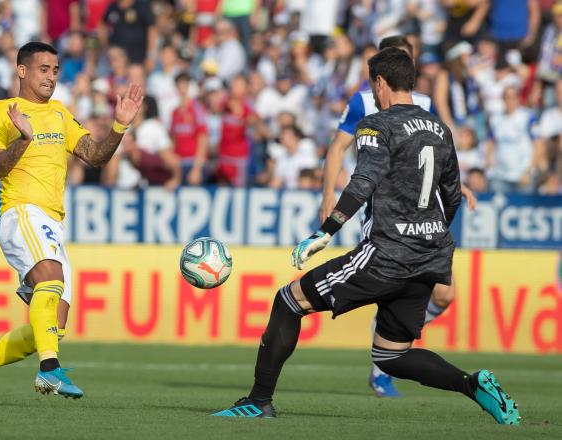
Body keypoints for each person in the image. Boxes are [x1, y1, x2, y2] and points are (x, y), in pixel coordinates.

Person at [213, 47, 521, 426]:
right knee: (391, 355)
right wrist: (429, 237)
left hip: (386, 255)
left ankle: (258, 402)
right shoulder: (439, 128)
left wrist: (326, 231)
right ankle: (472, 385)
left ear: (380, 82)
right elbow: (453, 195)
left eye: (372, 85)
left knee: (288, 301)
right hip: (429, 257)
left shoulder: (378, 124)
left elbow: (364, 180)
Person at [0, 41, 144, 404]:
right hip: (21, 211)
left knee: (50, 327)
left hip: (51, 222)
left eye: (55, 70)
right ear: (22, 71)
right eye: (43, 69)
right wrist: (23, 141)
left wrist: (119, 126)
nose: (51, 76)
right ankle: (50, 371)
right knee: (51, 280)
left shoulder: (60, 114)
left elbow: (95, 157)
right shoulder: (0, 112)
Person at [319, 35, 477, 397]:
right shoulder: (362, 101)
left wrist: (458, 184)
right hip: (386, 215)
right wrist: (329, 193)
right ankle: (383, 365)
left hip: (423, 214)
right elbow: (338, 148)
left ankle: (389, 345)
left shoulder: (423, 102)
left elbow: (435, 151)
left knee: (445, 296)